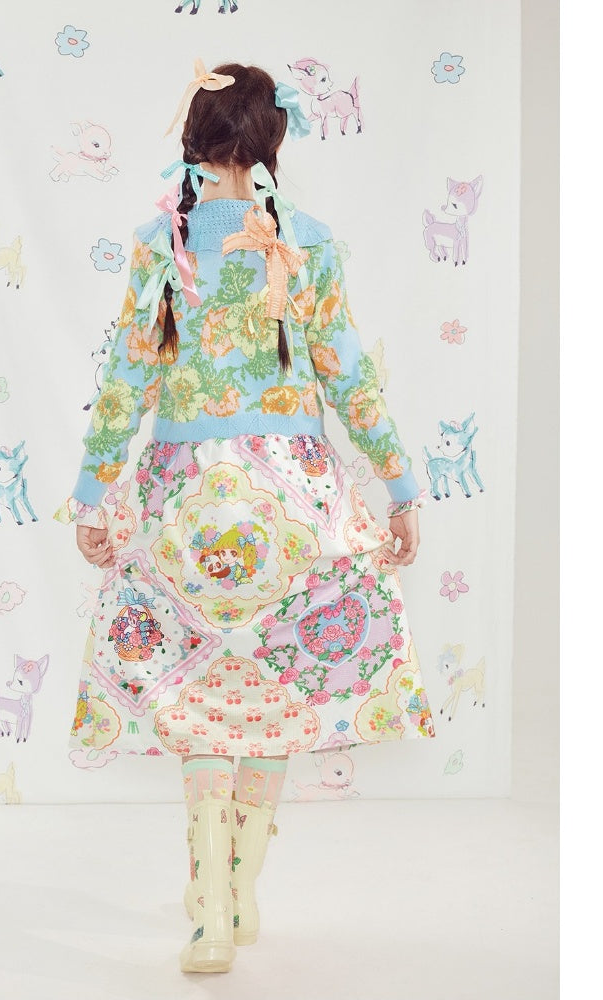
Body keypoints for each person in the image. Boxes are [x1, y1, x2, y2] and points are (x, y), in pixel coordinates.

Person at [54, 60, 437, 974]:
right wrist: (399, 486)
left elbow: (126, 381)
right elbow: (347, 372)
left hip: (184, 501)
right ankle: (243, 882)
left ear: (195, 139)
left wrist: (92, 496)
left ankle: (210, 913)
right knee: (275, 685)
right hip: (292, 499)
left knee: (199, 696)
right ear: (271, 139)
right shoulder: (307, 241)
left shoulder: (161, 243)